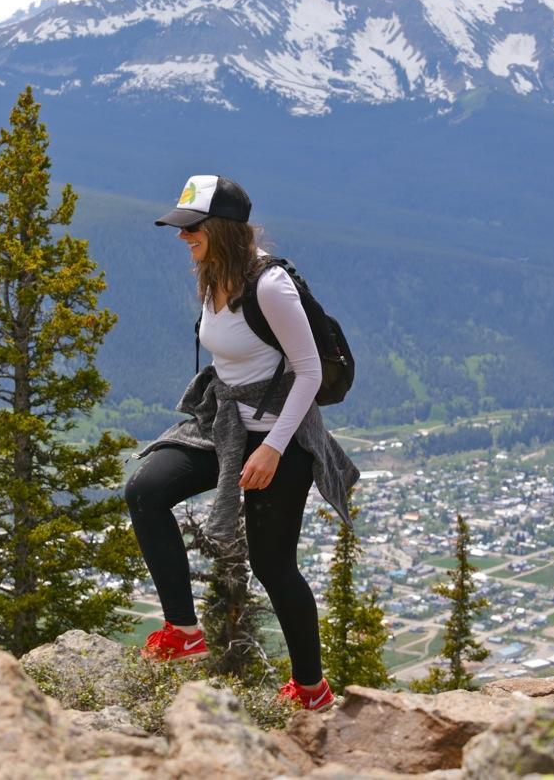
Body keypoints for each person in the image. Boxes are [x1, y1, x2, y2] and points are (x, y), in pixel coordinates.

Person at [124, 174, 359, 712]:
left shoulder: (269, 285)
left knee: (273, 566)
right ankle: (183, 630)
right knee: (146, 490)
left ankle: (310, 691)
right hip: (225, 425)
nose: (183, 237)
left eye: (192, 227)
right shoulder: (213, 274)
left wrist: (273, 448)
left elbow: (307, 371)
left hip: (281, 433)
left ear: (223, 229)